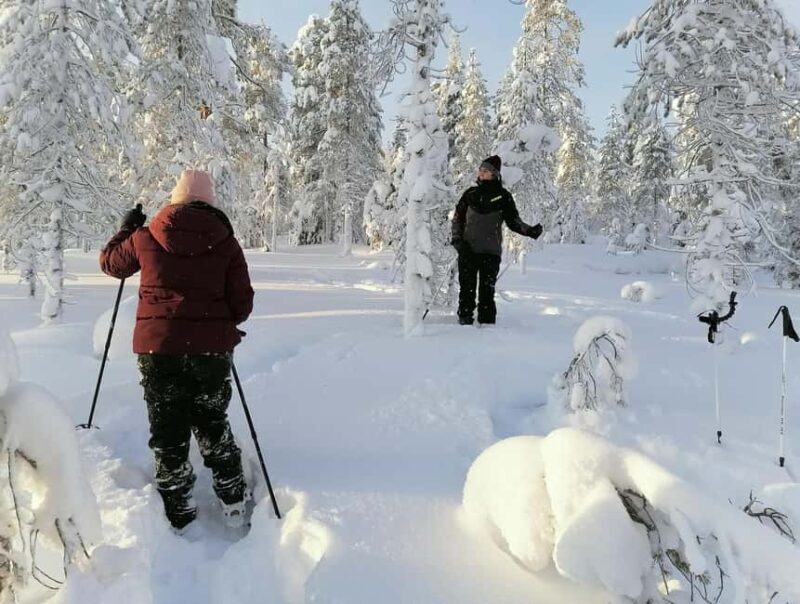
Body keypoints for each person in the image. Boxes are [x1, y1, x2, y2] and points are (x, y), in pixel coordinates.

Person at [100, 169, 254, 531]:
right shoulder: (226, 243)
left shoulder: (145, 237)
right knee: (212, 422)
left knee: (167, 427)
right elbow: (242, 305)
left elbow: (111, 264)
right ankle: (233, 499)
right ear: (210, 202)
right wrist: (217, 320)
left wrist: (126, 229)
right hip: (211, 352)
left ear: (175, 200)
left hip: (159, 349)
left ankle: (178, 508)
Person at [450, 155, 542, 325]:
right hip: (467, 249)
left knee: (487, 291)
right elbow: (457, 219)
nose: (481, 173)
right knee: (466, 288)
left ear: (494, 174)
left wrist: (530, 231)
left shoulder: (503, 197)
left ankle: (487, 326)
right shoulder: (470, 194)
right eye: (480, 170)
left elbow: (514, 221)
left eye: (485, 170)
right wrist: (457, 240)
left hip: (490, 252)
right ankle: (464, 322)